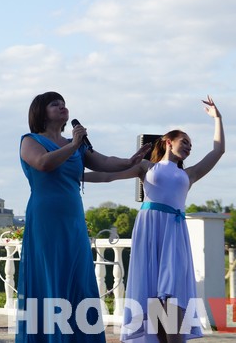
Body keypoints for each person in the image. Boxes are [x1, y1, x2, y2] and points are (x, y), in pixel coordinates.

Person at [85, 96, 225, 343]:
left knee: (172, 290)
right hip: (150, 229)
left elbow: (218, 150)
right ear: (169, 142)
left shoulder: (189, 174)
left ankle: (174, 339)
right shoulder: (147, 168)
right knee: (152, 290)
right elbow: (108, 176)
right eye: (185, 142)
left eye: (191, 145)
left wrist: (218, 119)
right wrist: (76, 176)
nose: (189, 147)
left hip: (174, 231)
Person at [17, 92, 150, 343]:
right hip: (46, 219)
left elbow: (103, 162)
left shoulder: (75, 143)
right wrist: (73, 145)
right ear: (40, 112)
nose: (62, 107)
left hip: (73, 219)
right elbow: (44, 163)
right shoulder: (30, 140)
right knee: (51, 275)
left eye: (63, 103)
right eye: (54, 104)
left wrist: (130, 161)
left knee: (78, 276)